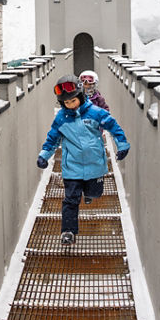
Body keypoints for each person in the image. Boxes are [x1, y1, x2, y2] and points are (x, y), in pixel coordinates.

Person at [36, 74, 130, 246]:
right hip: (72, 167)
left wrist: (122, 145)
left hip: (95, 165)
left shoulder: (95, 112)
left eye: (73, 101)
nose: (70, 105)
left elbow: (113, 126)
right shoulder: (61, 119)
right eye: (66, 103)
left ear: (79, 96)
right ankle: (68, 231)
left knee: (94, 192)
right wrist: (44, 155)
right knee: (70, 200)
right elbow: (52, 139)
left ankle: (89, 193)